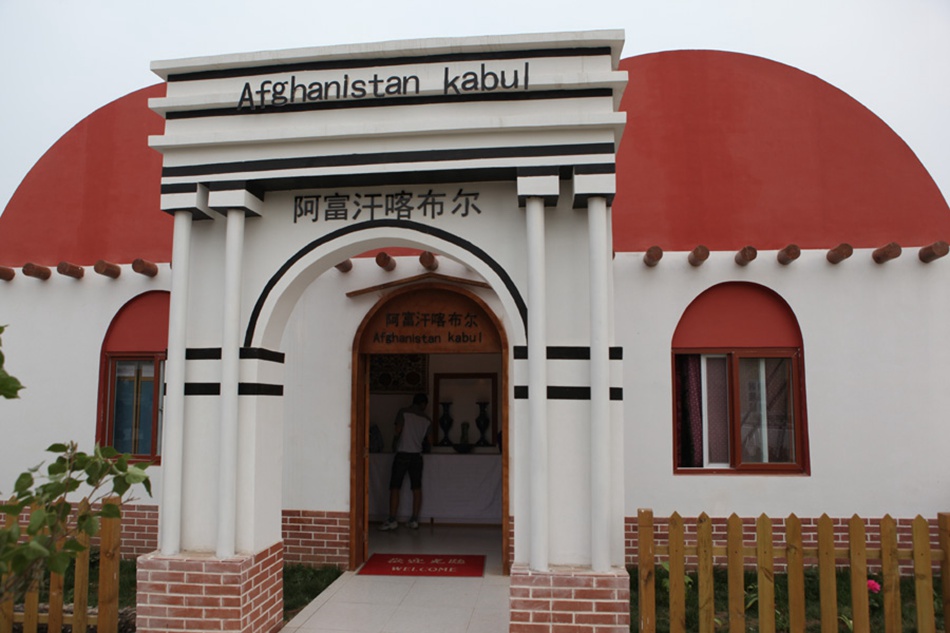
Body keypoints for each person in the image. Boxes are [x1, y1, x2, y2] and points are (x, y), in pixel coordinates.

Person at [380, 393, 431, 530]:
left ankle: (392, 520)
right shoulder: (427, 420)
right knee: (416, 488)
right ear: (423, 404)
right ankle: (414, 519)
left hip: (402, 453)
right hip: (417, 456)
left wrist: (394, 443)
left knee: (395, 487)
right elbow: (428, 440)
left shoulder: (403, 412)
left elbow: (397, 430)